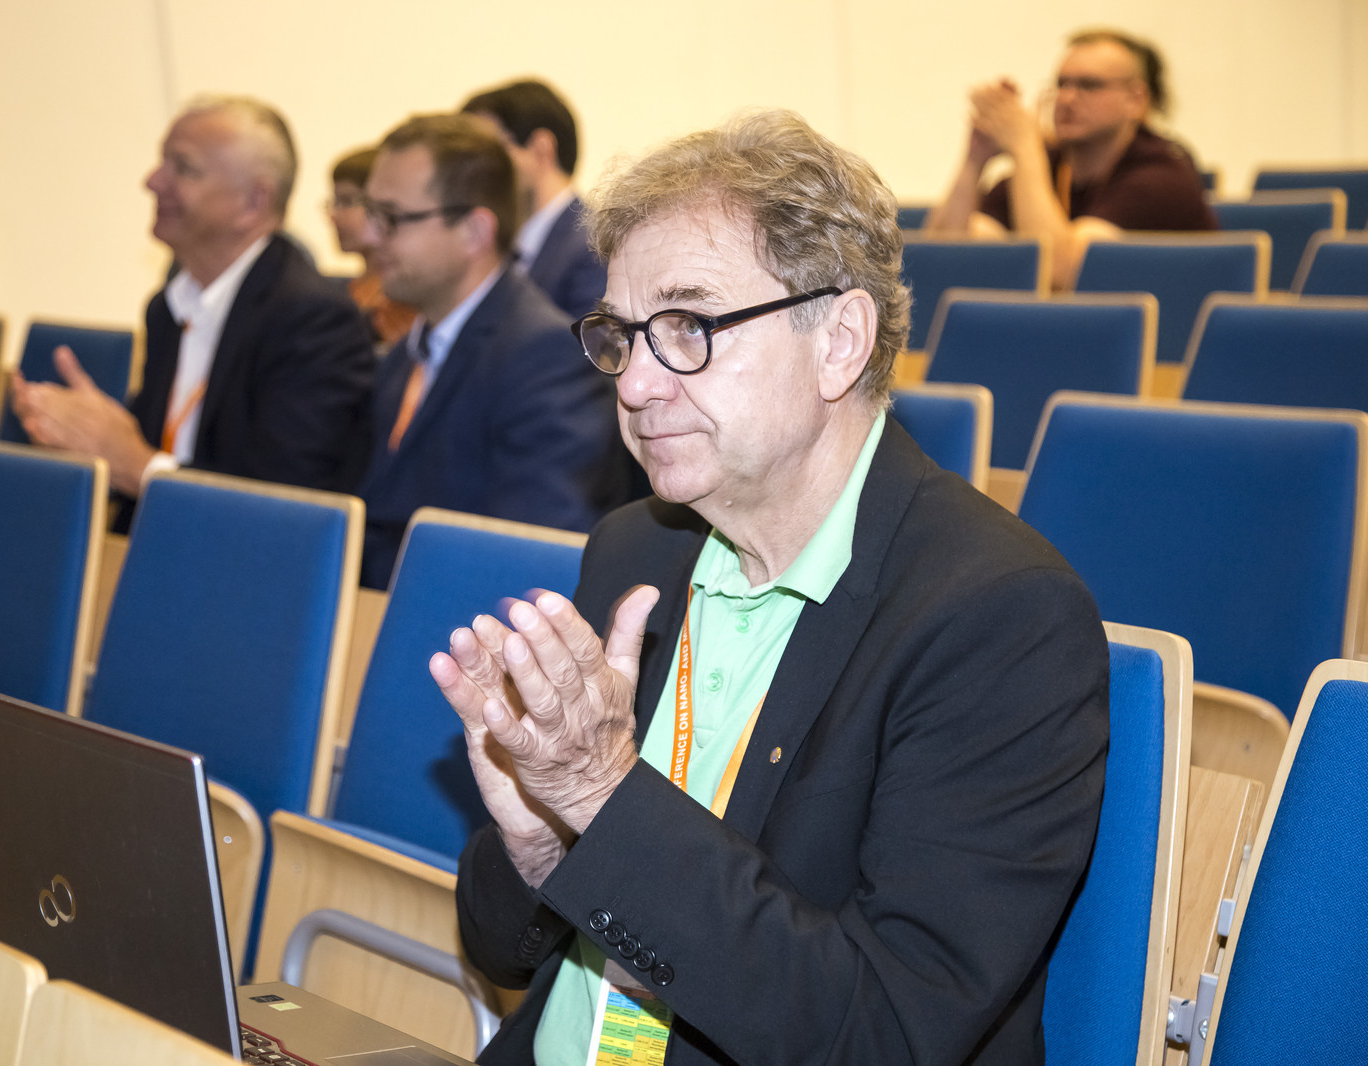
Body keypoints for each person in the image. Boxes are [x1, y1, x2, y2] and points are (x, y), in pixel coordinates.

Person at [431, 110, 1109, 1065]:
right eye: (623, 335)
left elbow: (883, 1036)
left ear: (839, 341)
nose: (635, 384)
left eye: (687, 326)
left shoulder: (998, 616)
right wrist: (541, 846)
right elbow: (499, 950)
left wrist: (596, 796)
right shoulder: (636, 549)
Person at [11, 96, 374, 528]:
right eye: (161, 163)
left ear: (253, 202)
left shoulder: (312, 318)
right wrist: (86, 446)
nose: (152, 181)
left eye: (183, 168)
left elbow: (286, 506)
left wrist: (137, 465)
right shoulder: (168, 308)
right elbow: (156, 451)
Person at [354, 113, 627, 589]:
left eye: (392, 218)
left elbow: (528, 558)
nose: (370, 236)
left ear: (475, 231)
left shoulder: (544, 360)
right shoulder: (407, 354)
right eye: (370, 214)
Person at [926, 29, 1215, 289]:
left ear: (1135, 99)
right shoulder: (1051, 165)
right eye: (1061, 84)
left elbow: (1059, 274)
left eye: (1088, 85)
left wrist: (1025, 146)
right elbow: (941, 261)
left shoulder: (1161, 176)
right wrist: (975, 158)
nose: (1066, 98)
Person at [463, 79, 607, 320]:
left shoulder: (594, 248)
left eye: (489, 153)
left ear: (541, 149)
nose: (473, 173)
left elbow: (586, 342)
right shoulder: (504, 245)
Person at [328, 146, 417, 348]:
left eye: (346, 201)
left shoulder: (401, 298)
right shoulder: (344, 292)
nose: (333, 215)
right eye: (334, 202)